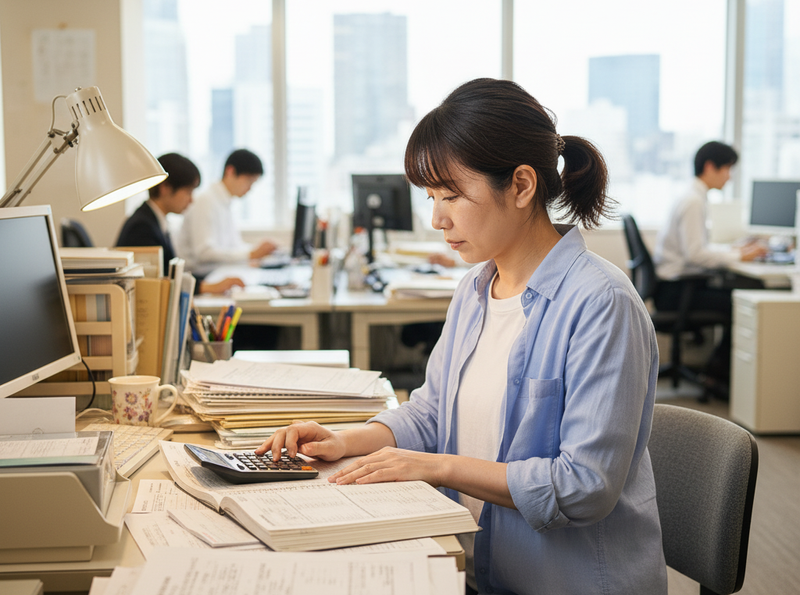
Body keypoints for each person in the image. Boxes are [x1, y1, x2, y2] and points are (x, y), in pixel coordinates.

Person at [256, 78, 668, 594]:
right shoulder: (475, 289)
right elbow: (432, 413)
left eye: (452, 195)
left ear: (521, 186)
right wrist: (346, 440)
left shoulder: (601, 304)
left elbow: (583, 487)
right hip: (470, 569)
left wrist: (438, 468)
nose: (436, 218)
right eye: (431, 196)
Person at [653, 141, 768, 393]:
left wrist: (736, 252)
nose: (729, 177)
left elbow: (697, 249)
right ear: (709, 167)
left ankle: (717, 371)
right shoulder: (693, 201)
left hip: (674, 288)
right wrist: (739, 256)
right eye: (727, 169)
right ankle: (717, 374)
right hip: (678, 293)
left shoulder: (692, 197)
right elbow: (695, 254)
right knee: (738, 303)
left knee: (735, 297)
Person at [115, 152, 244, 295]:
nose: (191, 200)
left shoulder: (155, 220)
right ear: (165, 188)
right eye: (188, 192)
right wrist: (208, 287)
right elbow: (160, 280)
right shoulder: (142, 227)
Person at [177, 148, 278, 276]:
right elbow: (204, 253)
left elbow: (233, 246)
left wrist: (257, 251)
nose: (249, 188)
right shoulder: (206, 201)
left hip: (217, 274)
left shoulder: (225, 202)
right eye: (249, 181)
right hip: (201, 277)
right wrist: (251, 254)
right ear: (230, 171)